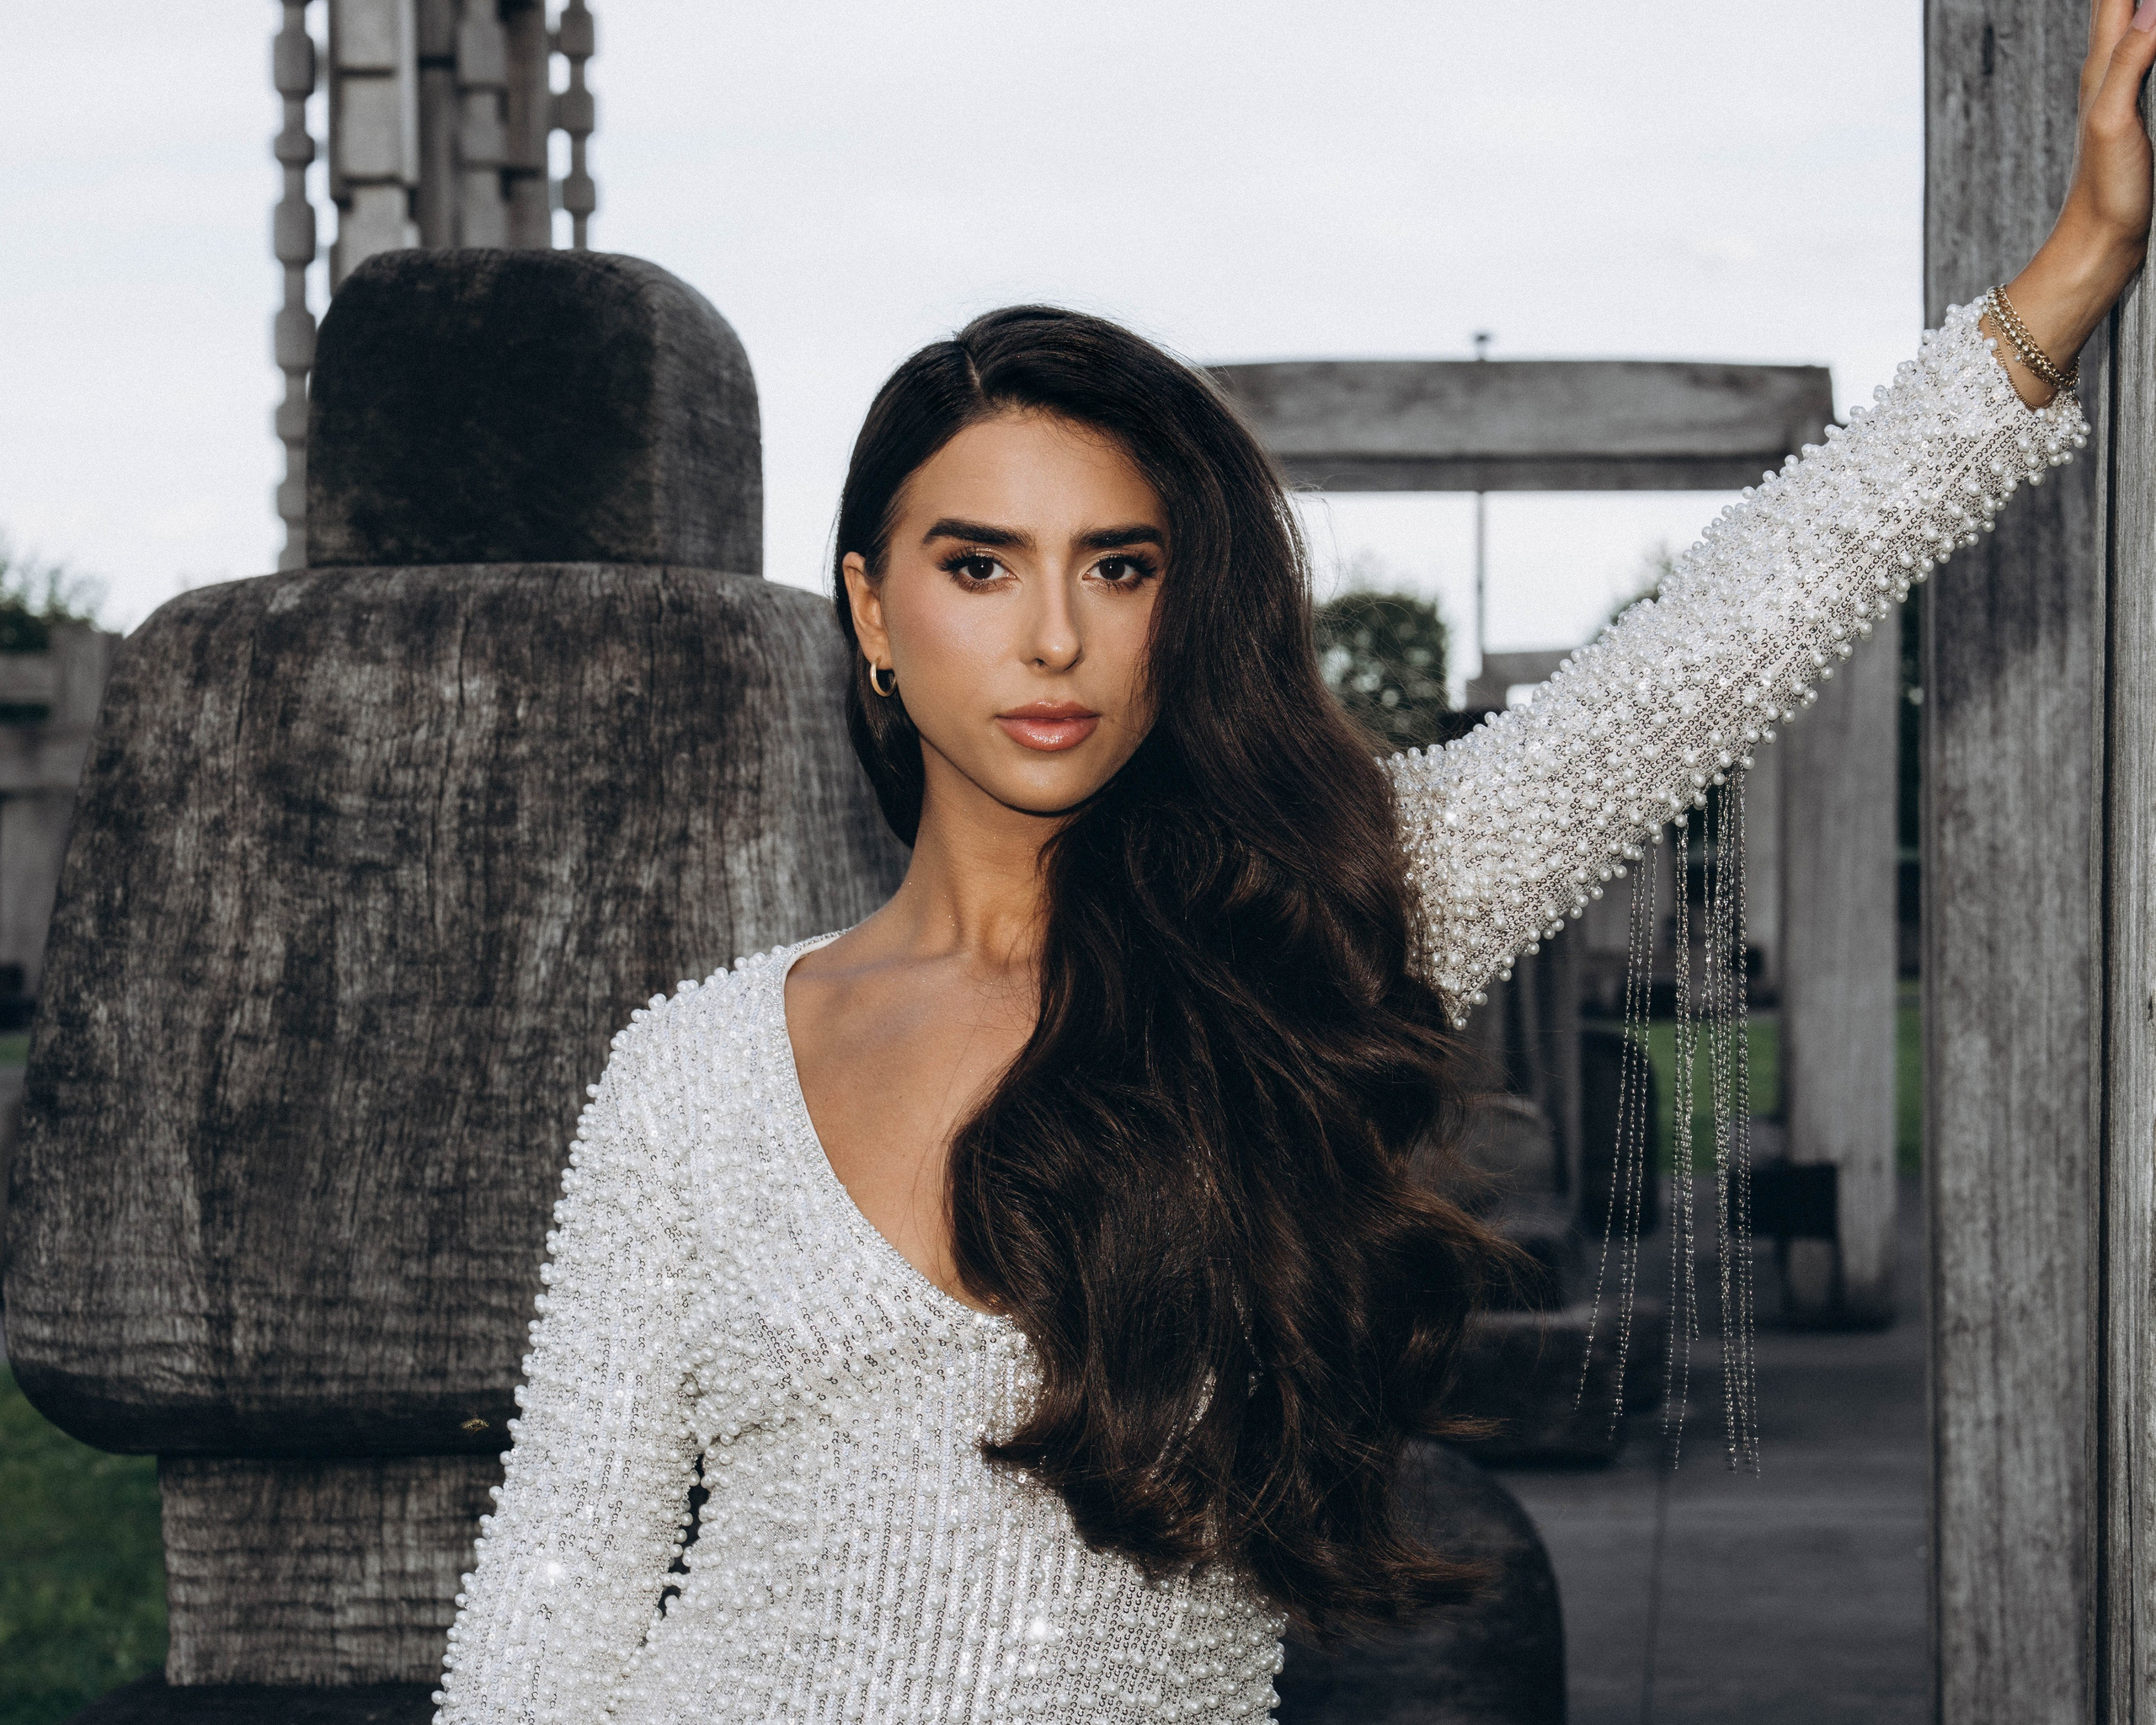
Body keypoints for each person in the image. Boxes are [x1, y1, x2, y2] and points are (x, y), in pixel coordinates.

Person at [434, 6, 2156, 1719]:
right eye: (979, 565)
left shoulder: (1304, 933)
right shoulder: (692, 1073)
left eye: (1118, 566)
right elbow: (547, 1608)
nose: (1053, 635)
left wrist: (2068, 271)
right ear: (873, 612)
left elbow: (1710, 650)